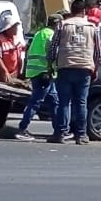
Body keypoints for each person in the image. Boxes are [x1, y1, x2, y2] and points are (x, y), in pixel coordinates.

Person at [47, 0, 101, 145]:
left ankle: (60, 134)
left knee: (63, 102)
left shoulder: (62, 25)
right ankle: (81, 135)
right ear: (84, 11)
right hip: (84, 69)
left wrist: (50, 64)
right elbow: (98, 52)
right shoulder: (92, 27)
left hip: (65, 67)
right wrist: (95, 68)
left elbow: (53, 47)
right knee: (81, 102)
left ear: (72, 11)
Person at [14, 13, 61, 141]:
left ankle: (59, 130)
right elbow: (52, 54)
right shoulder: (51, 35)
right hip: (44, 73)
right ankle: (22, 129)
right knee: (36, 102)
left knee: (54, 101)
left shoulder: (39, 33)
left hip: (36, 72)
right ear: (57, 24)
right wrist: (51, 69)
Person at [0, 13, 25, 82]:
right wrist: (4, 71)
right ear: (8, 29)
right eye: (14, 27)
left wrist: (19, 72)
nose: (16, 29)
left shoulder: (16, 40)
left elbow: (19, 56)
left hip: (13, 74)